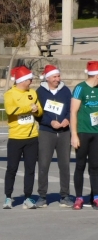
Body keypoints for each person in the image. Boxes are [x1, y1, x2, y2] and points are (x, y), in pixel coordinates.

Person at [2, 66, 43, 209]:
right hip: (15, 138)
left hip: (32, 137)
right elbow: (11, 110)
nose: (31, 82)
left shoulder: (32, 93)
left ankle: (28, 197)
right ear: (22, 80)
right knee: (12, 168)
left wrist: (36, 110)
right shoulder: (10, 94)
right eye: (29, 79)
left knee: (30, 169)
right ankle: (8, 197)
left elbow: (38, 110)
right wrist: (29, 108)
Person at [36, 64, 72, 208]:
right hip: (47, 132)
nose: (58, 79)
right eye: (55, 77)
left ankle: (65, 195)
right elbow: (37, 113)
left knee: (65, 165)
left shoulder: (65, 91)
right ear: (48, 78)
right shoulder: (40, 92)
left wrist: (67, 119)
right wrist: (49, 122)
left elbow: (71, 108)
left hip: (64, 132)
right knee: (44, 164)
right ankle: (42, 196)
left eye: (58, 76)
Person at [70, 61, 98, 210]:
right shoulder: (80, 88)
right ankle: (79, 197)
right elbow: (73, 112)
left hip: (96, 133)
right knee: (80, 165)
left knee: (95, 166)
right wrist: (74, 135)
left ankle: (96, 197)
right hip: (82, 132)